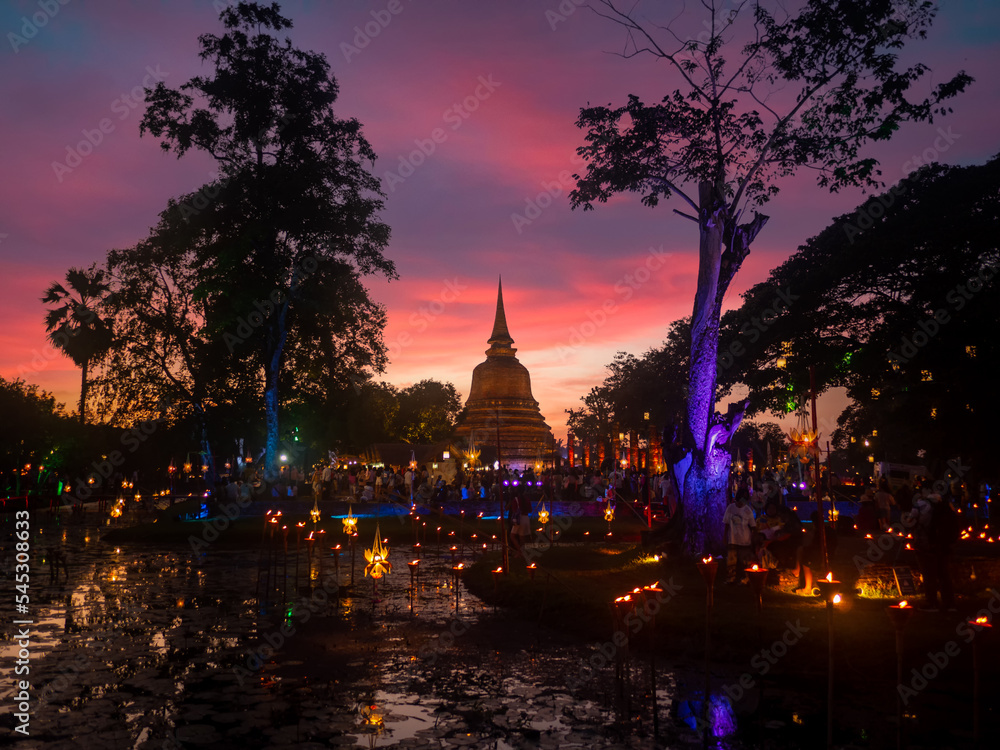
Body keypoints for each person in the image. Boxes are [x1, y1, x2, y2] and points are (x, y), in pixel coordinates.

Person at [907, 486, 957, 611]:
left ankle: (931, 603)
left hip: (926, 543)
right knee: (944, 574)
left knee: (929, 574)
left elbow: (909, 521)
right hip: (944, 545)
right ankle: (949, 603)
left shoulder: (920, 504)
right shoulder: (947, 505)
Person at [723, 489, 756, 584]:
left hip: (744, 539)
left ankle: (746, 578)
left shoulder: (747, 510)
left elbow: (753, 525)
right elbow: (726, 523)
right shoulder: (730, 508)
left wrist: (753, 538)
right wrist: (725, 536)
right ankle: (731, 577)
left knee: (745, 560)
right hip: (733, 538)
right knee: (731, 560)